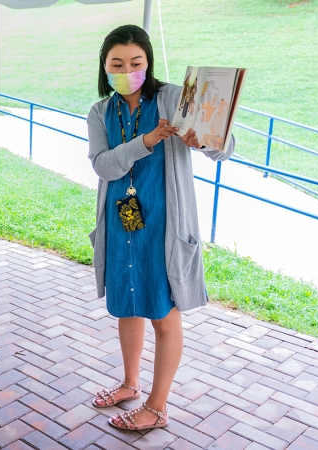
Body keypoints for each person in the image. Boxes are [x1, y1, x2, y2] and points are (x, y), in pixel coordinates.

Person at [86, 25, 234, 431]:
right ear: (105, 66)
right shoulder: (100, 112)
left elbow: (225, 148)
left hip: (164, 228)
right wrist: (146, 141)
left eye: (136, 62)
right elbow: (103, 165)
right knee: (126, 307)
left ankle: (157, 406)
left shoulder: (173, 97)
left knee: (164, 315)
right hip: (121, 225)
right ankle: (130, 384)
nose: (127, 70)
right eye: (117, 63)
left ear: (148, 62)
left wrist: (201, 138)